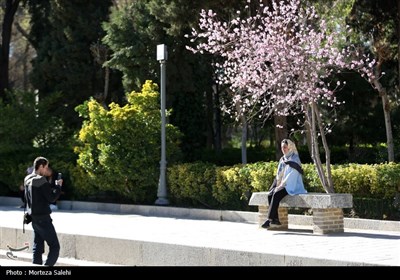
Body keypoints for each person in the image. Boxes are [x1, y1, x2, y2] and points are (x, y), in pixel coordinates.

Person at [24, 156, 63, 266]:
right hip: (43, 218)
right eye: (45, 167)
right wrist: (58, 187)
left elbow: (30, 197)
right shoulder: (40, 180)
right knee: (55, 246)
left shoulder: (27, 178)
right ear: (40, 166)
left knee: (38, 245)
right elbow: (51, 198)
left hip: (33, 218)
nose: (46, 170)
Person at [261, 139, 307, 229]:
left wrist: (281, 185)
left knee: (277, 194)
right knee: (270, 194)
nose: (283, 149)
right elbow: (279, 174)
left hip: (292, 184)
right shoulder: (283, 159)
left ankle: (269, 219)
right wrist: (277, 184)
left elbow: (291, 176)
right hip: (283, 183)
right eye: (282, 147)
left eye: (285, 147)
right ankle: (276, 219)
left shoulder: (295, 159)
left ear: (290, 147)